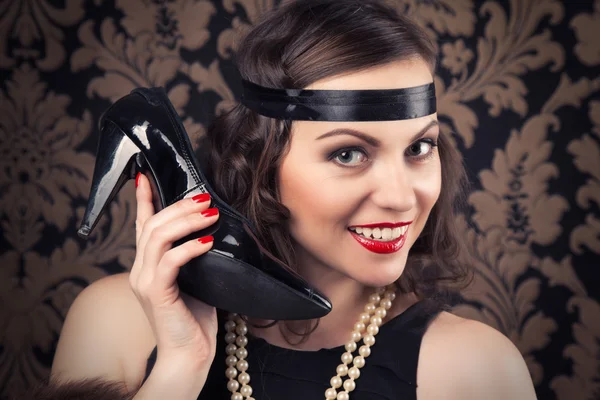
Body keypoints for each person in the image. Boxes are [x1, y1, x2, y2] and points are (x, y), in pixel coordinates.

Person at [27, 0, 537, 399]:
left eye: (419, 148)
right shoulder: (113, 324)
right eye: (348, 154)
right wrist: (179, 369)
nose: (402, 196)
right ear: (260, 162)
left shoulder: (475, 369)